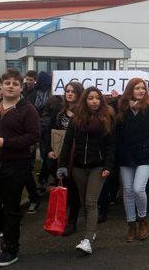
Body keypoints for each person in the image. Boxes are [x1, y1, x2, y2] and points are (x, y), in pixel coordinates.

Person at [0, 68, 40, 267]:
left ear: (21, 88)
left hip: (15, 165)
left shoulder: (28, 109)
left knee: (12, 208)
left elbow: (33, 136)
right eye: (7, 83)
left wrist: (6, 142)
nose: (11, 87)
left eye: (15, 84)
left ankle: (10, 249)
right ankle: (8, 229)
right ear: (1, 86)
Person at [57, 86, 116, 254]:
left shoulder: (107, 118)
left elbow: (112, 145)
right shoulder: (77, 119)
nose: (94, 101)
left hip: (98, 167)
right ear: (85, 100)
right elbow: (67, 143)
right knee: (85, 202)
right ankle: (92, 231)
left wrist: (108, 166)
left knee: (91, 202)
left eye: (97, 98)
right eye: (91, 98)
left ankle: (88, 240)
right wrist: (62, 164)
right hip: (78, 168)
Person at [116, 78, 149, 242]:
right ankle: (131, 224)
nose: (141, 91)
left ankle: (143, 220)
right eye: (137, 88)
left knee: (138, 189)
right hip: (126, 155)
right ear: (130, 90)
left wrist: (147, 144)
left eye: (143, 88)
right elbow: (116, 132)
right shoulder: (122, 109)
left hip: (145, 155)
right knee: (128, 190)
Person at [44, 81, 83, 236]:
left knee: (73, 189)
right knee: (64, 187)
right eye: (67, 91)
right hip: (60, 156)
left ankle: (72, 221)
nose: (70, 94)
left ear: (79, 94)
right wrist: (48, 150)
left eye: (73, 91)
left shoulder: (83, 113)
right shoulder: (59, 113)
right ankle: (62, 216)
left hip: (77, 157)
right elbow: (48, 132)